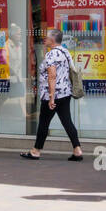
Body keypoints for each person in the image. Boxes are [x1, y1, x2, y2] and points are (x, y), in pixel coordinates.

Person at [21, 28, 84, 161]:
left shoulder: (51, 55)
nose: (45, 38)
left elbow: (52, 76)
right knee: (67, 122)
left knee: (44, 123)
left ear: (53, 39)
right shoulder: (65, 52)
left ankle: (36, 151)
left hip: (52, 94)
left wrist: (51, 96)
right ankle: (77, 149)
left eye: (47, 37)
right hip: (65, 93)